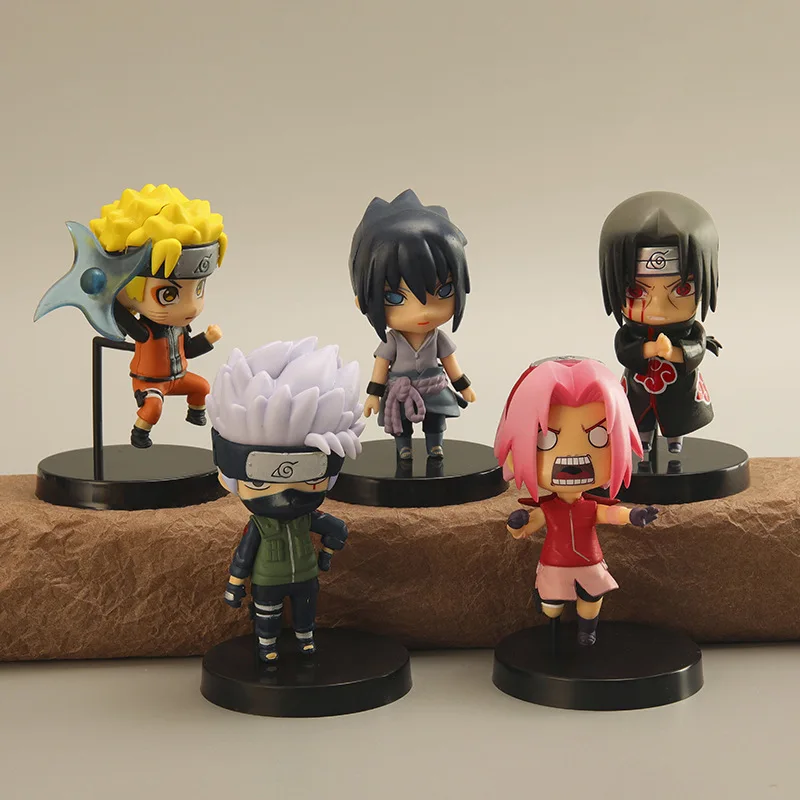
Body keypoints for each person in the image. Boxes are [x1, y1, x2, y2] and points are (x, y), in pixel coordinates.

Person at [208, 338, 365, 662]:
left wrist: (328, 553)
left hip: (305, 576)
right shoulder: (260, 525)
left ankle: (305, 639)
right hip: (268, 579)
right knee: (267, 613)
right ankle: (267, 644)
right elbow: (243, 555)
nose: (286, 495)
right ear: (230, 476)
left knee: (307, 608)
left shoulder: (308, 518)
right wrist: (235, 584)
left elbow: (336, 528)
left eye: (310, 478)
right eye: (261, 481)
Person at [494, 357, 658, 646]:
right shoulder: (548, 508)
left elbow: (610, 514)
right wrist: (516, 524)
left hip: (589, 562)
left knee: (592, 598)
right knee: (552, 604)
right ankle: (549, 614)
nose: (574, 460)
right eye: (545, 440)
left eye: (599, 437)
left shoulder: (590, 506)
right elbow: (527, 527)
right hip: (555, 563)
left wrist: (632, 516)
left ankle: (587, 630)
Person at [349, 189, 476, 460]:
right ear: (363, 302)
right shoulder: (392, 341)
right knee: (401, 423)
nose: (422, 311)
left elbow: (451, 364)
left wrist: (463, 386)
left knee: (435, 419)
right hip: (400, 390)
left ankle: (435, 445)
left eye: (443, 291)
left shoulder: (437, 338)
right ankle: (403, 445)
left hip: (433, 387)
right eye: (395, 298)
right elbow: (380, 368)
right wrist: (374, 395)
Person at [599, 191, 720, 454]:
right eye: (636, 291)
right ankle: (643, 439)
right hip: (639, 388)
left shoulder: (691, 331)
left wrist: (672, 353)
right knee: (640, 415)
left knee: (677, 418)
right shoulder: (630, 333)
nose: (659, 309)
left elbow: (695, 352)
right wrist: (650, 350)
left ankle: (675, 441)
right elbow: (625, 352)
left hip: (679, 390)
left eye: (682, 290)